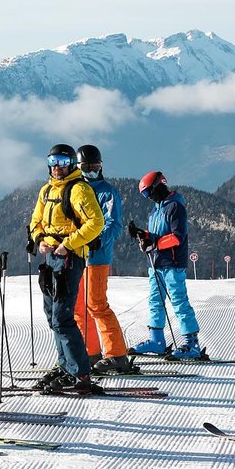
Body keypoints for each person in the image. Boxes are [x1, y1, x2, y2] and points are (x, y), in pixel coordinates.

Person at [29, 143, 105, 395]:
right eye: (53, 161)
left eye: (62, 162)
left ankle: (80, 372)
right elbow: (36, 221)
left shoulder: (79, 189)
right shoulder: (47, 190)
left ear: (72, 163)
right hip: (50, 257)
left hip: (69, 257)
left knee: (62, 316)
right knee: (52, 315)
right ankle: (66, 367)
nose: (57, 167)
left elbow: (96, 222)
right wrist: (40, 240)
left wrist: (68, 244)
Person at [72, 145, 136, 375]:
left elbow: (114, 224)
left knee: (96, 304)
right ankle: (90, 352)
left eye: (94, 167)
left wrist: (96, 240)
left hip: (97, 257)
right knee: (79, 307)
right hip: (76, 257)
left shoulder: (106, 191)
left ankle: (117, 354)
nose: (90, 171)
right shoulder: (75, 190)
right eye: (86, 168)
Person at [130, 170, 204, 360]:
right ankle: (157, 341)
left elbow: (177, 237)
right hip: (156, 263)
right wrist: (144, 235)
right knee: (155, 302)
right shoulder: (156, 209)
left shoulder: (175, 207)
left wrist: (153, 243)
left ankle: (192, 343)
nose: (148, 198)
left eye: (148, 193)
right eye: (144, 195)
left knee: (179, 301)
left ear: (158, 186)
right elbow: (157, 235)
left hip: (172, 263)